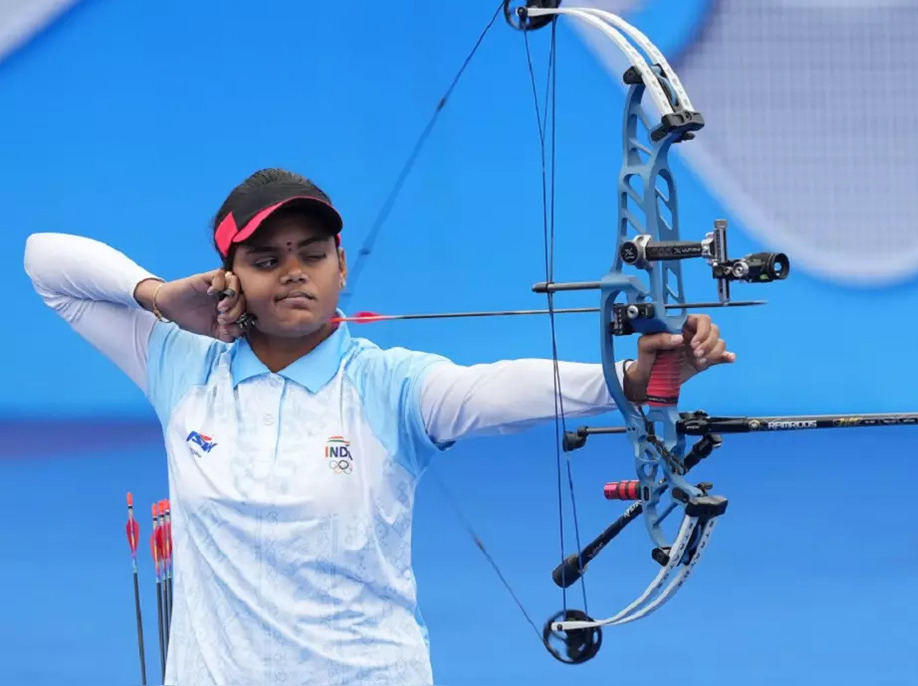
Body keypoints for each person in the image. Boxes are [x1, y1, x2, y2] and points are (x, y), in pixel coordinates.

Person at [22, 167, 735, 685]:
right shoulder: (179, 364)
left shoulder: (385, 383)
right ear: (228, 277)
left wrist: (632, 382)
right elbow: (44, 261)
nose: (292, 272)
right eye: (265, 260)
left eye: (312, 254)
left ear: (340, 267)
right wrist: (155, 295)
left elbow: (496, 389)